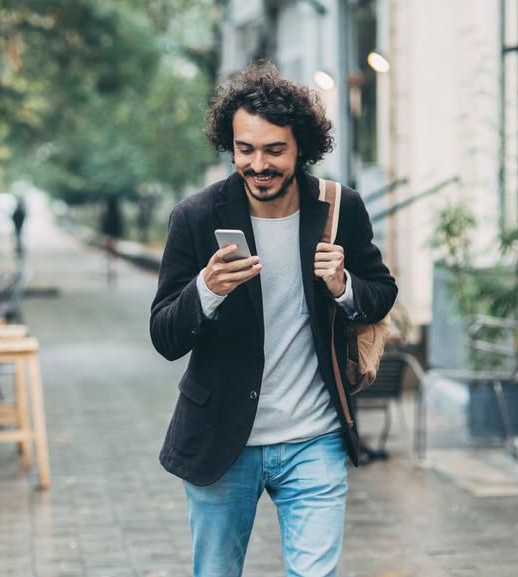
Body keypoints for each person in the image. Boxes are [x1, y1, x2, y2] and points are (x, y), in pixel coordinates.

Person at [149, 62, 397, 577]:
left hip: (315, 438)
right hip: (222, 440)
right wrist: (206, 290)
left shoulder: (338, 208)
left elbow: (381, 293)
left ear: (301, 147)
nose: (258, 164)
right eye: (245, 149)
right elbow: (165, 335)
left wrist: (344, 285)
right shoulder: (196, 217)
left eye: (274, 150)